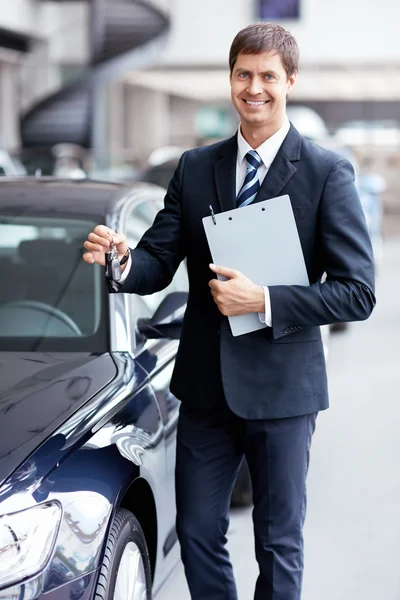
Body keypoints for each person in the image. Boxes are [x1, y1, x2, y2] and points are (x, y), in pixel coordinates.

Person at [83, 22, 375, 600]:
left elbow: (356, 292)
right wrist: (121, 262)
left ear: (290, 81)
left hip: (284, 391)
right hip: (207, 387)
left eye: (269, 76)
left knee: (277, 542)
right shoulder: (196, 167)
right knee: (195, 533)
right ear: (231, 78)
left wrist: (264, 300)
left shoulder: (325, 172)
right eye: (244, 74)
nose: (255, 87)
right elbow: (157, 260)